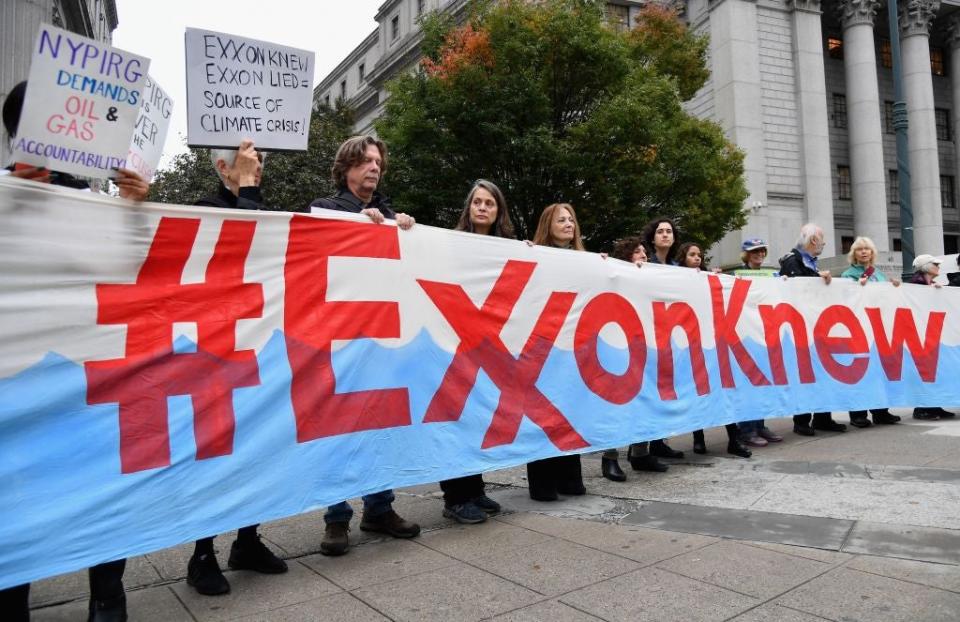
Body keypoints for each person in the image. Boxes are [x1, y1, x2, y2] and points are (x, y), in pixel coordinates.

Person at [1, 79, 150, 622]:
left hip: (94, 369)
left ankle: (108, 594)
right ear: (19, 133)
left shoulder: (100, 202)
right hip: (17, 377)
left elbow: (136, 274)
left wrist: (135, 211)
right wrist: (18, 198)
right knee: (14, 492)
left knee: (104, 481)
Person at [183, 141, 289, 596]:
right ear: (224, 167)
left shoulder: (260, 207)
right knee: (214, 451)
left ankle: (247, 540)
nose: (258, 168)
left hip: (257, 348)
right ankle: (201, 554)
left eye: (260, 161)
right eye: (249, 162)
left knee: (257, 448)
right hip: (213, 353)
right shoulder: (204, 209)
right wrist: (248, 192)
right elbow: (237, 247)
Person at [308, 135, 420, 555]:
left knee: (379, 427)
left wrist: (405, 232)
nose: (373, 167)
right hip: (337, 339)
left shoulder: (390, 215)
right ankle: (336, 518)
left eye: (378, 162)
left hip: (381, 338)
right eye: (364, 161)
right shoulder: (325, 210)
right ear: (345, 168)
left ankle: (379, 509)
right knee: (339, 428)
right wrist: (358, 223)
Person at [437, 180, 512, 522]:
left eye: (489, 203)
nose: (482, 208)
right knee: (457, 418)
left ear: (498, 212)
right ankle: (455, 496)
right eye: (477, 202)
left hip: (488, 346)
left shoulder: (507, 248)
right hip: (456, 343)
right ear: (468, 208)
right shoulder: (449, 245)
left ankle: (475, 488)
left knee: (478, 417)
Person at [526, 203, 588, 501]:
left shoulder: (585, 260)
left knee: (571, 410)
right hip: (542, 345)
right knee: (543, 413)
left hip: (572, 349)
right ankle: (542, 482)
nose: (568, 224)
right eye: (561, 220)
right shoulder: (533, 255)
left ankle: (569, 476)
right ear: (547, 224)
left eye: (571, 220)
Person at [675, 243, 752, 459]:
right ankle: (698, 438)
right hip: (690, 344)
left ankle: (734, 439)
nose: (697, 258)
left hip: (712, 343)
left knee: (722, 390)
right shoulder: (675, 278)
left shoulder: (707, 278)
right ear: (683, 258)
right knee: (697, 392)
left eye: (699, 255)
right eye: (692, 255)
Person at [600, 237, 668, 479]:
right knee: (617, 406)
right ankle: (609, 458)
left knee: (646, 401)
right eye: (637, 252)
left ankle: (641, 453)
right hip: (619, 348)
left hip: (646, 348)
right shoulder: (614, 277)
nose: (643, 255)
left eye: (644, 252)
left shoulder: (650, 279)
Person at [779, 224, 847, 436]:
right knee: (806, 375)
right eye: (822, 240)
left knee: (820, 373)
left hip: (814, 327)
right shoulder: (793, 260)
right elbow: (798, 289)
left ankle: (822, 417)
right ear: (813, 240)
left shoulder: (809, 262)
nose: (823, 245)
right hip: (801, 327)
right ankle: (801, 421)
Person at [840, 237, 901, 426]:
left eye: (867, 249)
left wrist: (894, 287)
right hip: (858, 328)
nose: (864, 252)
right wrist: (858, 288)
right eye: (860, 249)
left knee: (878, 370)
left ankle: (880, 411)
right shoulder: (847, 275)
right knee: (859, 371)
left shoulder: (880, 275)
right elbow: (845, 299)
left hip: (877, 328)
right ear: (854, 254)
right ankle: (858, 414)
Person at [639, 217, 685, 460]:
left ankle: (659, 442)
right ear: (652, 237)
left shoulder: (677, 267)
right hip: (649, 334)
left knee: (666, 389)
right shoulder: (644, 263)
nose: (665, 235)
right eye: (660, 231)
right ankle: (640, 448)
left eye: (669, 231)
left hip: (670, 337)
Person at [734, 238, 783, 446]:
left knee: (762, 382)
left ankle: (760, 425)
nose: (759, 254)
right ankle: (747, 429)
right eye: (754, 251)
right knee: (748, 384)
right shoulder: (737, 275)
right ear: (746, 254)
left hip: (764, 333)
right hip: (745, 334)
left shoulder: (772, 275)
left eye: (762, 251)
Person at [908, 254, 956, 420]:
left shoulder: (931, 284)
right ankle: (921, 408)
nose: (938, 267)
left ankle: (935, 405)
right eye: (935, 264)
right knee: (925, 371)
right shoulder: (916, 284)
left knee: (934, 371)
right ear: (925, 266)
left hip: (932, 333)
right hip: (921, 333)